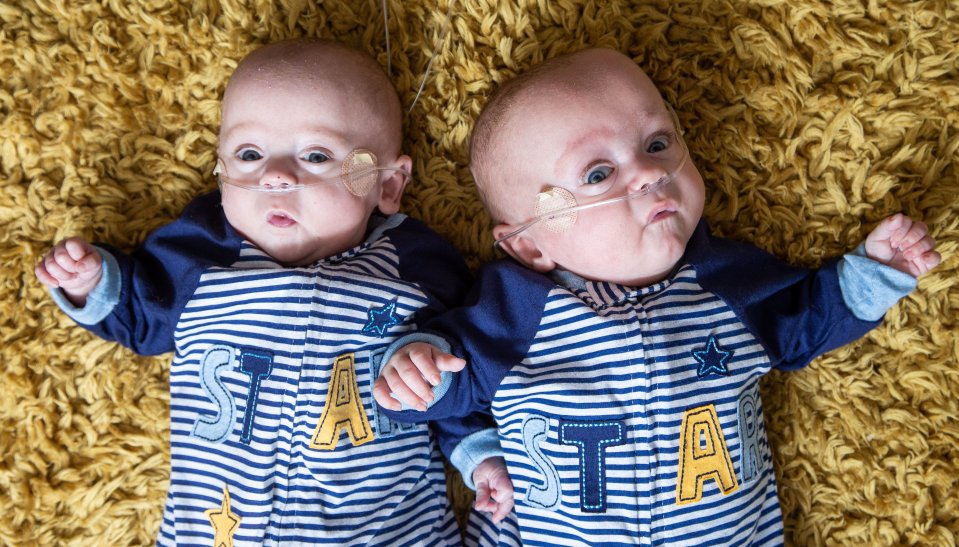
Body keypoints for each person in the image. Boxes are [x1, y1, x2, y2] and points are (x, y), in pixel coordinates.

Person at [371, 47, 941, 545]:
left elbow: (804, 322)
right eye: (597, 174)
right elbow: (454, 386)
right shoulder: (518, 312)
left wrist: (874, 272)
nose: (647, 173)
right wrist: (422, 372)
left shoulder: (726, 281)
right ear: (529, 245)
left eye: (658, 142)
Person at [35, 39, 514, 546]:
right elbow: (141, 314)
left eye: (316, 154)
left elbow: (454, 374)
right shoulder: (201, 255)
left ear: (388, 186)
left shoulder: (417, 268)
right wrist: (92, 283)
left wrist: (479, 453)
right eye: (248, 153)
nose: (276, 175)